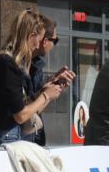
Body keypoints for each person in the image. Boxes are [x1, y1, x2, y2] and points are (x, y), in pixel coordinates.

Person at [0, 10, 64, 146]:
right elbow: (21, 115)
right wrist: (45, 96)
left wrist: (46, 91)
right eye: (40, 39)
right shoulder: (6, 64)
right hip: (3, 138)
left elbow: (21, 106)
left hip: (4, 136)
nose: (39, 45)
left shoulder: (6, 61)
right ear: (31, 36)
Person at [21, 16, 74, 145]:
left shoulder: (37, 66)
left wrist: (54, 85)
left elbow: (37, 107)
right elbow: (21, 111)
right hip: (18, 136)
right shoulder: (15, 64)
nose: (54, 46)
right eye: (55, 41)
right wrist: (46, 94)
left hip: (35, 134)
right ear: (44, 41)